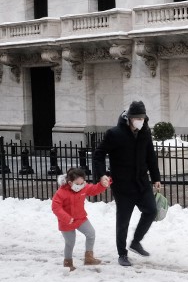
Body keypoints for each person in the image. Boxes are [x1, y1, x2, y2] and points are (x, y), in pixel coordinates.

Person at [97, 100, 162, 267]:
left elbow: (151, 156)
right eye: (137, 118)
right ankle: (122, 254)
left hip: (141, 182)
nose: (140, 120)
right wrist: (101, 175)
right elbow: (99, 153)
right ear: (129, 118)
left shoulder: (145, 133)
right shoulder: (115, 134)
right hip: (123, 185)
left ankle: (136, 242)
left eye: (143, 118)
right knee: (123, 220)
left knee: (151, 210)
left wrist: (156, 178)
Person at [51, 167, 111, 271]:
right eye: (77, 184)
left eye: (82, 183)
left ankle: (89, 258)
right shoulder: (61, 193)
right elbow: (55, 207)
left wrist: (102, 185)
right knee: (70, 242)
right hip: (66, 221)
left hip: (80, 218)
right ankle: (68, 263)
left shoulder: (83, 187)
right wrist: (66, 218)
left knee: (91, 234)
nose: (80, 186)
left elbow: (93, 189)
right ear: (70, 182)